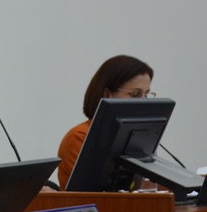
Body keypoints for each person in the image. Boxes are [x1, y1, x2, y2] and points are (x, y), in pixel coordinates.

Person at [57, 55, 154, 189]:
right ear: (108, 95)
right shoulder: (80, 136)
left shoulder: (134, 140)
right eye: (136, 94)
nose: (143, 102)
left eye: (146, 95)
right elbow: (97, 193)